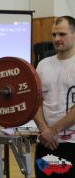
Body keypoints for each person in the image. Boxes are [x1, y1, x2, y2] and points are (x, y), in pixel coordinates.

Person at [34, 16, 75, 178]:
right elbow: (36, 101)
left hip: (71, 144)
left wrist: (53, 130)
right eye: (54, 35)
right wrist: (45, 130)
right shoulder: (43, 65)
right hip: (46, 143)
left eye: (62, 34)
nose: (57, 39)